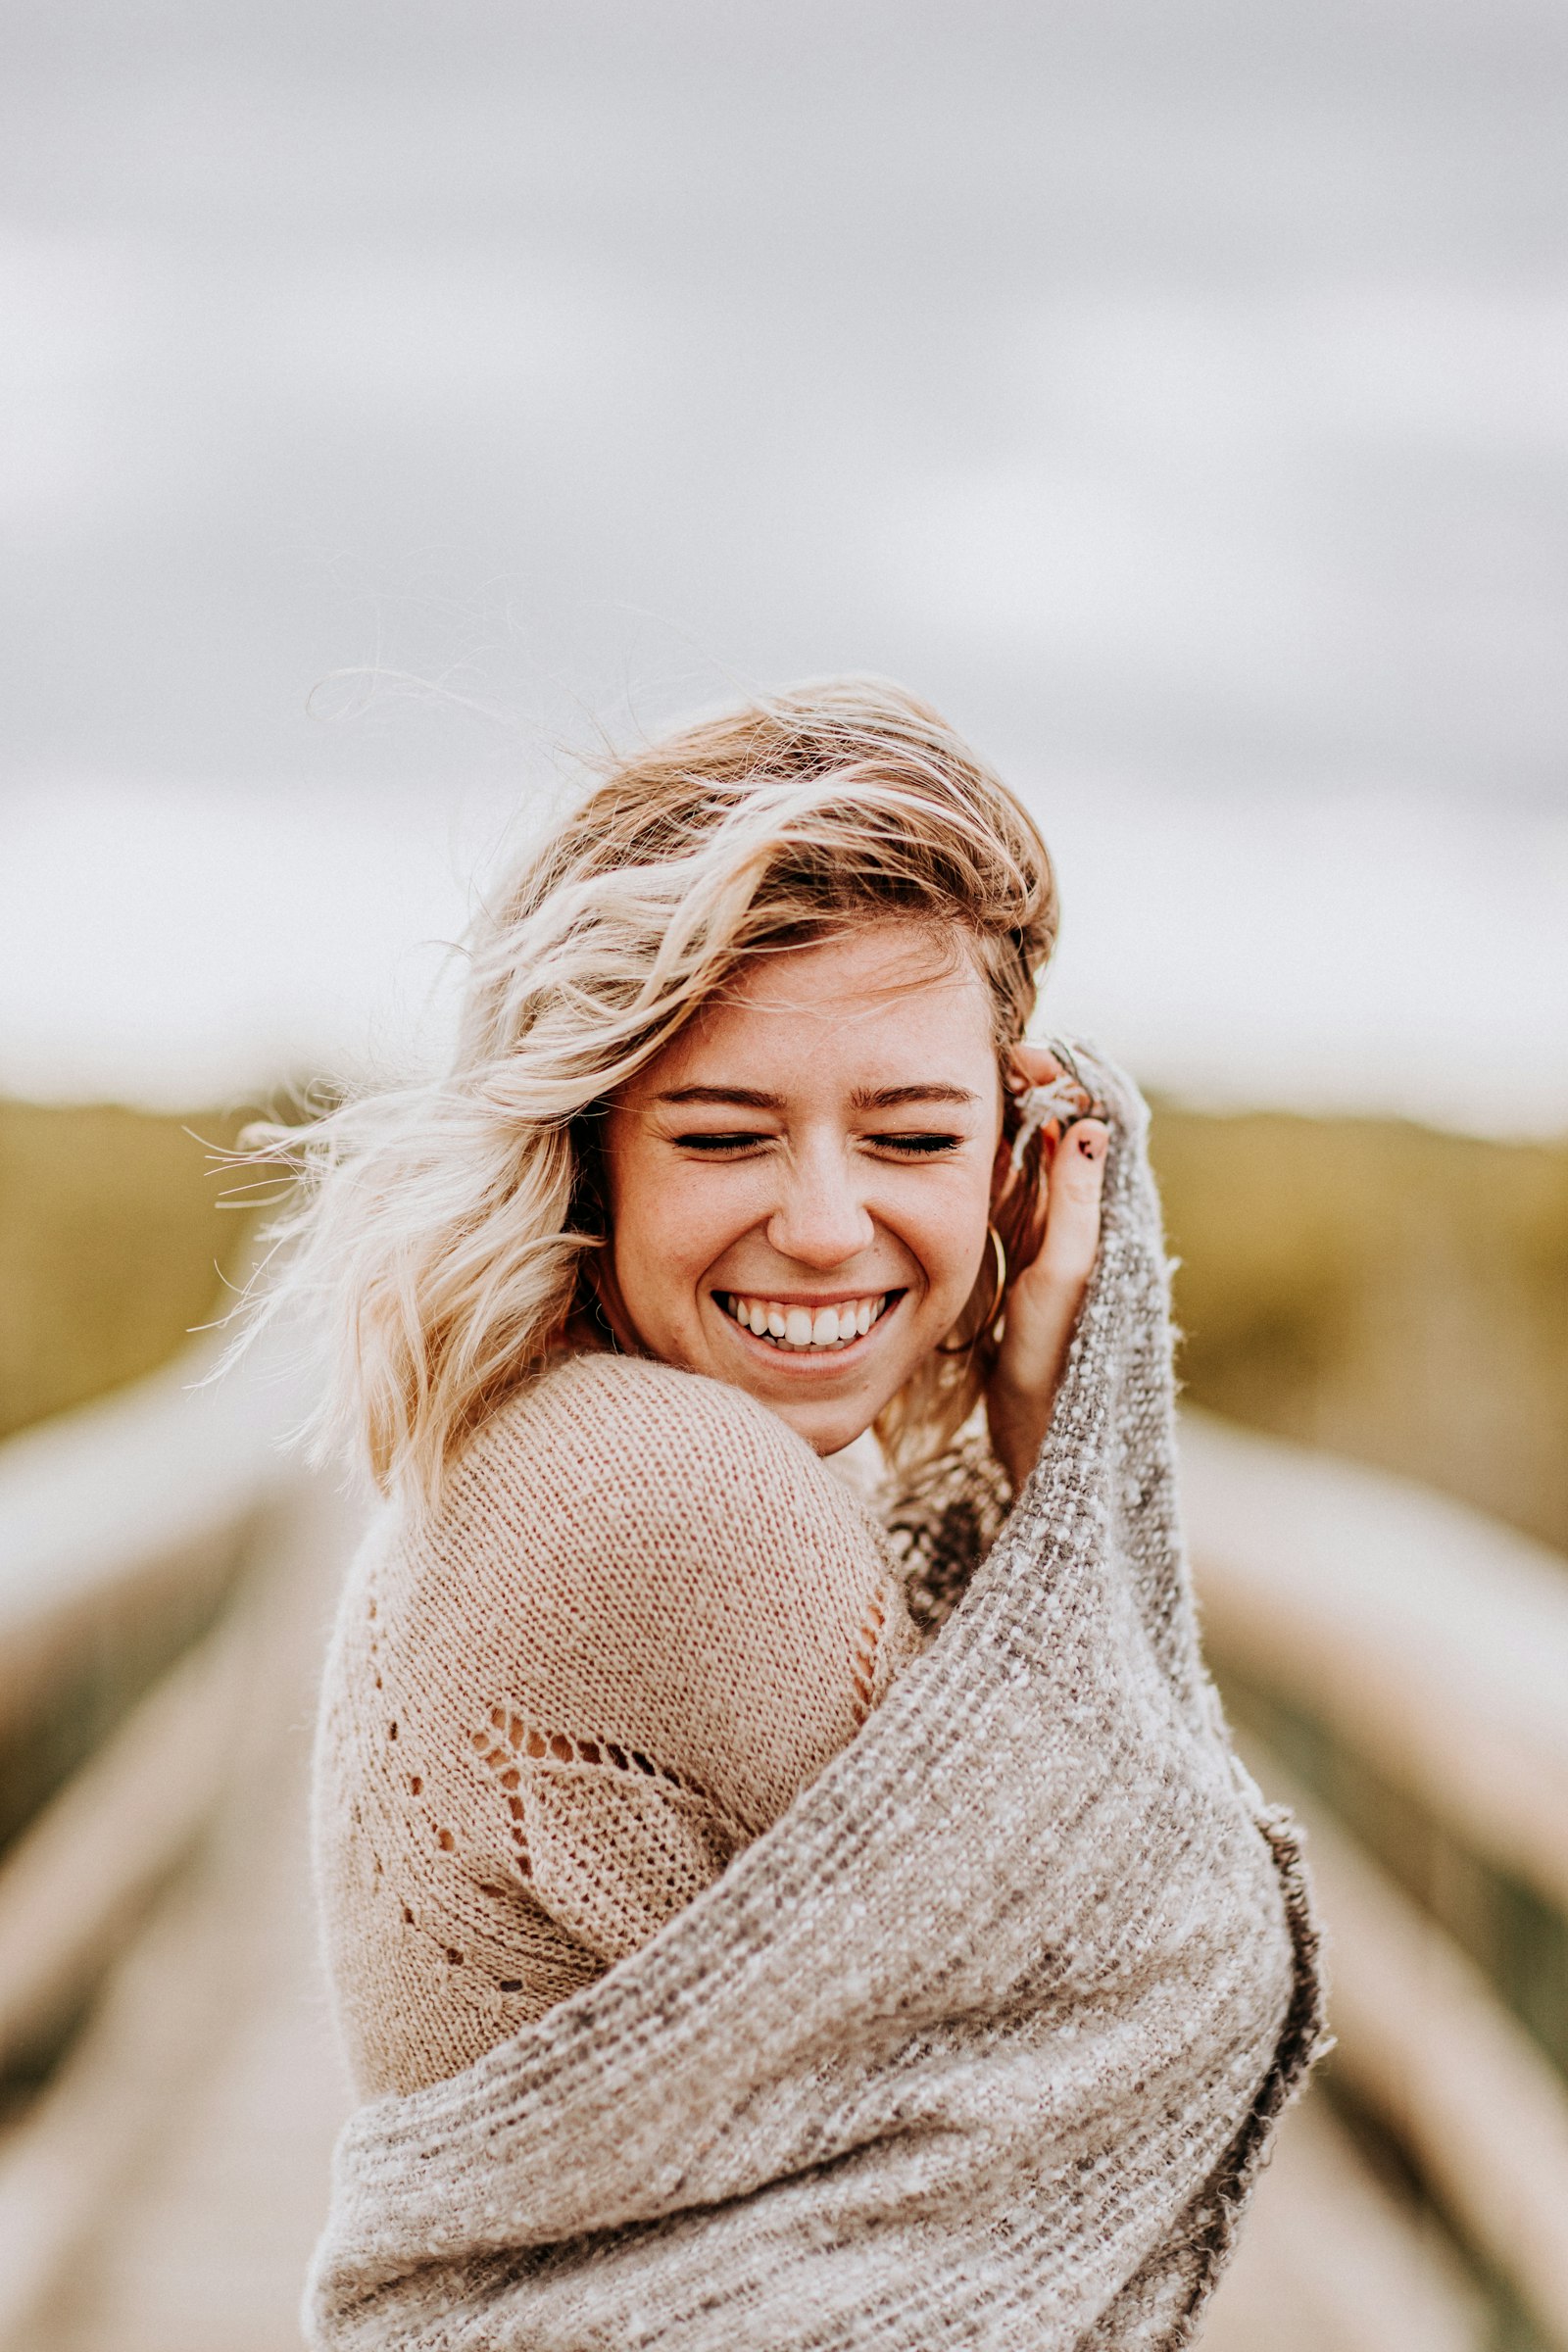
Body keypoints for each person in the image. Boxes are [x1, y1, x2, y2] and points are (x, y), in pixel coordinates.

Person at [265, 679, 1319, 2348]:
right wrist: (1063, 1455)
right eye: (725, 1133)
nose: (826, 1226)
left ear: (1020, 1161)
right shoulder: (664, 1494)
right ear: (592, 1152)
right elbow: (1165, 1954)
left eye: (911, 1133)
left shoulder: (558, 1430)